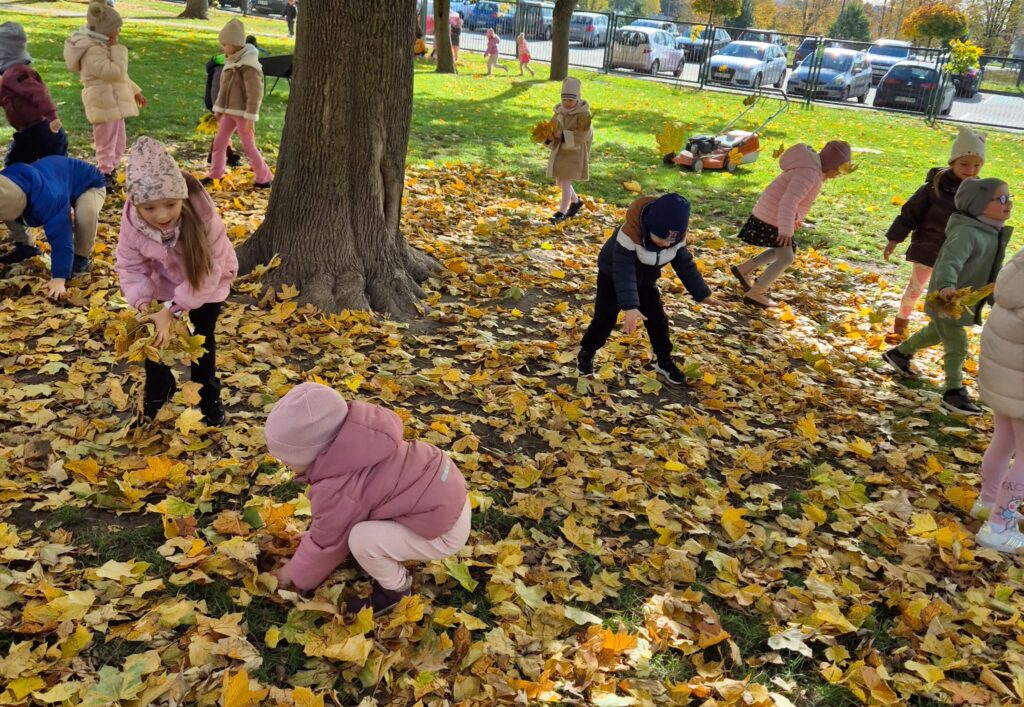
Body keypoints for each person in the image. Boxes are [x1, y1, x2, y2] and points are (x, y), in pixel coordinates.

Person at [264, 383, 471, 614]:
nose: (286, 466)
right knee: (363, 519)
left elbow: (328, 543)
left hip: (444, 531)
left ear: (314, 452)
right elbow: (346, 515)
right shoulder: (365, 441)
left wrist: (293, 575)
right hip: (449, 496)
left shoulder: (336, 487)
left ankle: (396, 590)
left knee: (361, 540)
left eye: (288, 459)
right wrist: (314, 534)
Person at [116, 137, 238, 425]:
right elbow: (131, 266)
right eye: (150, 208)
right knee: (153, 338)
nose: (161, 215)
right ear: (136, 205)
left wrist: (172, 311)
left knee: (201, 342)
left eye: (170, 204)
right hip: (165, 281)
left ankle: (207, 399)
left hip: (208, 283)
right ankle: (159, 390)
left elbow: (209, 271)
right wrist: (146, 305)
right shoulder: (132, 223)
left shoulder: (204, 218)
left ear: (182, 198)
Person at [883, 178, 1013, 415]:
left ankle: (899, 354)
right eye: (1002, 199)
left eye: (1010, 197)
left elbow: (992, 270)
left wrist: (996, 297)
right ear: (979, 204)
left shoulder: (992, 232)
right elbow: (949, 261)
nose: (1009, 203)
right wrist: (945, 285)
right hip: (947, 299)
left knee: (935, 333)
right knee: (958, 344)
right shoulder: (966, 233)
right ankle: (954, 392)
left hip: (964, 302)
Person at [576, 192, 725, 386]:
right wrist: (630, 307)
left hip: (646, 280)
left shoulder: (673, 239)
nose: (666, 244)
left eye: (671, 241)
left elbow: (685, 265)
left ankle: (663, 359)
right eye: (661, 239)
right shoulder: (629, 235)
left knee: (657, 319)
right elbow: (624, 272)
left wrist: (702, 294)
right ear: (649, 227)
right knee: (605, 318)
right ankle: (587, 352)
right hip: (613, 276)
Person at [883, 127, 986, 342]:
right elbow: (909, 213)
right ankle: (900, 324)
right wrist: (894, 239)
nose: (971, 170)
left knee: (947, 296)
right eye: (964, 164)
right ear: (952, 163)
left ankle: (936, 333)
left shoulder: (981, 191)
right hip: (929, 249)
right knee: (915, 288)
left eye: (977, 165)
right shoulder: (935, 186)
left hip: (957, 255)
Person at [729, 141, 852, 308]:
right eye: (839, 171)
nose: (838, 175)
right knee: (786, 257)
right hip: (772, 218)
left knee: (784, 249)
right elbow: (789, 201)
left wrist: (795, 218)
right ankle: (756, 293)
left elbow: (795, 200)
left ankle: (745, 269)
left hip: (771, 214)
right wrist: (786, 229)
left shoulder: (812, 171)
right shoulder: (809, 174)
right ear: (830, 166)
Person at [0, 22, 70, 265]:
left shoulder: (15, 74)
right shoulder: (13, 74)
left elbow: (38, 95)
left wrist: (52, 117)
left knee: (11, 176)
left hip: (40, 132)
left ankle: (28, 239)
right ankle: (27, 239)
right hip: (37, 132)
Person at [63, 1, 147, 188]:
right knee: (106, 140)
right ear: (105, 31)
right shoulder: (92, 50)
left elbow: (120, 76)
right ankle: (104, 173)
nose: (118, 33)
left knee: (119, 140)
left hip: (113, 99)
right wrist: (118, 49)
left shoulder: (101, 45)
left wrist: (135, 91)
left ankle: (112, 168)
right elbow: (114, 72)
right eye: (116, 29)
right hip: (102, 100)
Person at [974, 245, 1024, 552]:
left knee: (1004, 439)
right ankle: (998, 526)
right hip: (1020, 378)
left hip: (1007, 375)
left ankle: (988, 501)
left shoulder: (1018, 268)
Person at [0, 156, 106, 299]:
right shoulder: (6, 181)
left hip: (88, 185)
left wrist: (59, 278)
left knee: (86, 214)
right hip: (56, 178)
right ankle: (26, 247)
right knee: (7, 212)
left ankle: (80, 258)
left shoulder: (49, 199)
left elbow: (61, 237)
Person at [204, 19, 273, 188]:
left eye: (225, 44)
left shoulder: (249, 66)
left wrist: (250, 116)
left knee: (249, 146)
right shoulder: (230, 62)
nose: (223, 48)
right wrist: (218, 109)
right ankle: (215, 174)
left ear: (235, 44)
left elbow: (255, 94)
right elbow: (223, 90)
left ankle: (264, 177)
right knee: (219, 143)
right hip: (228, 112)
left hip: (243, 114)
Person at [546, 77, 591, 224]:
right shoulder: (559, 112)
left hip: (574, 153)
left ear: (578, 99)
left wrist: (562, 135)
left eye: (570, 100)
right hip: (560, 152)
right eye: (564, 99)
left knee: (565, 182)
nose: (567, 103)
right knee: (559, 181)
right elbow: (552, 127)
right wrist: (548, 135)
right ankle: (576, 202)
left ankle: (561, 212)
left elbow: (582, 135)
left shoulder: (583, 115)